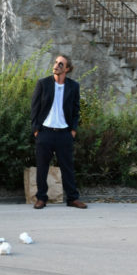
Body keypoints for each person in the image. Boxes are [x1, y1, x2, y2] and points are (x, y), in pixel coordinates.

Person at [30, 54, 87, 209]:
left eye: (61, 64)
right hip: (45, 132)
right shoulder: (43, 84)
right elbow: (34, 108)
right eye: (56, 62)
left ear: (67, 69)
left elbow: (76, 109)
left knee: (67, 167)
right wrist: (36, 130)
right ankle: (41, 198)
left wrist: (73, 130)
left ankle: (72, 198)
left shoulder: (73, 86)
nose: (56, 65)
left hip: (64, 133)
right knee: (42, 167)